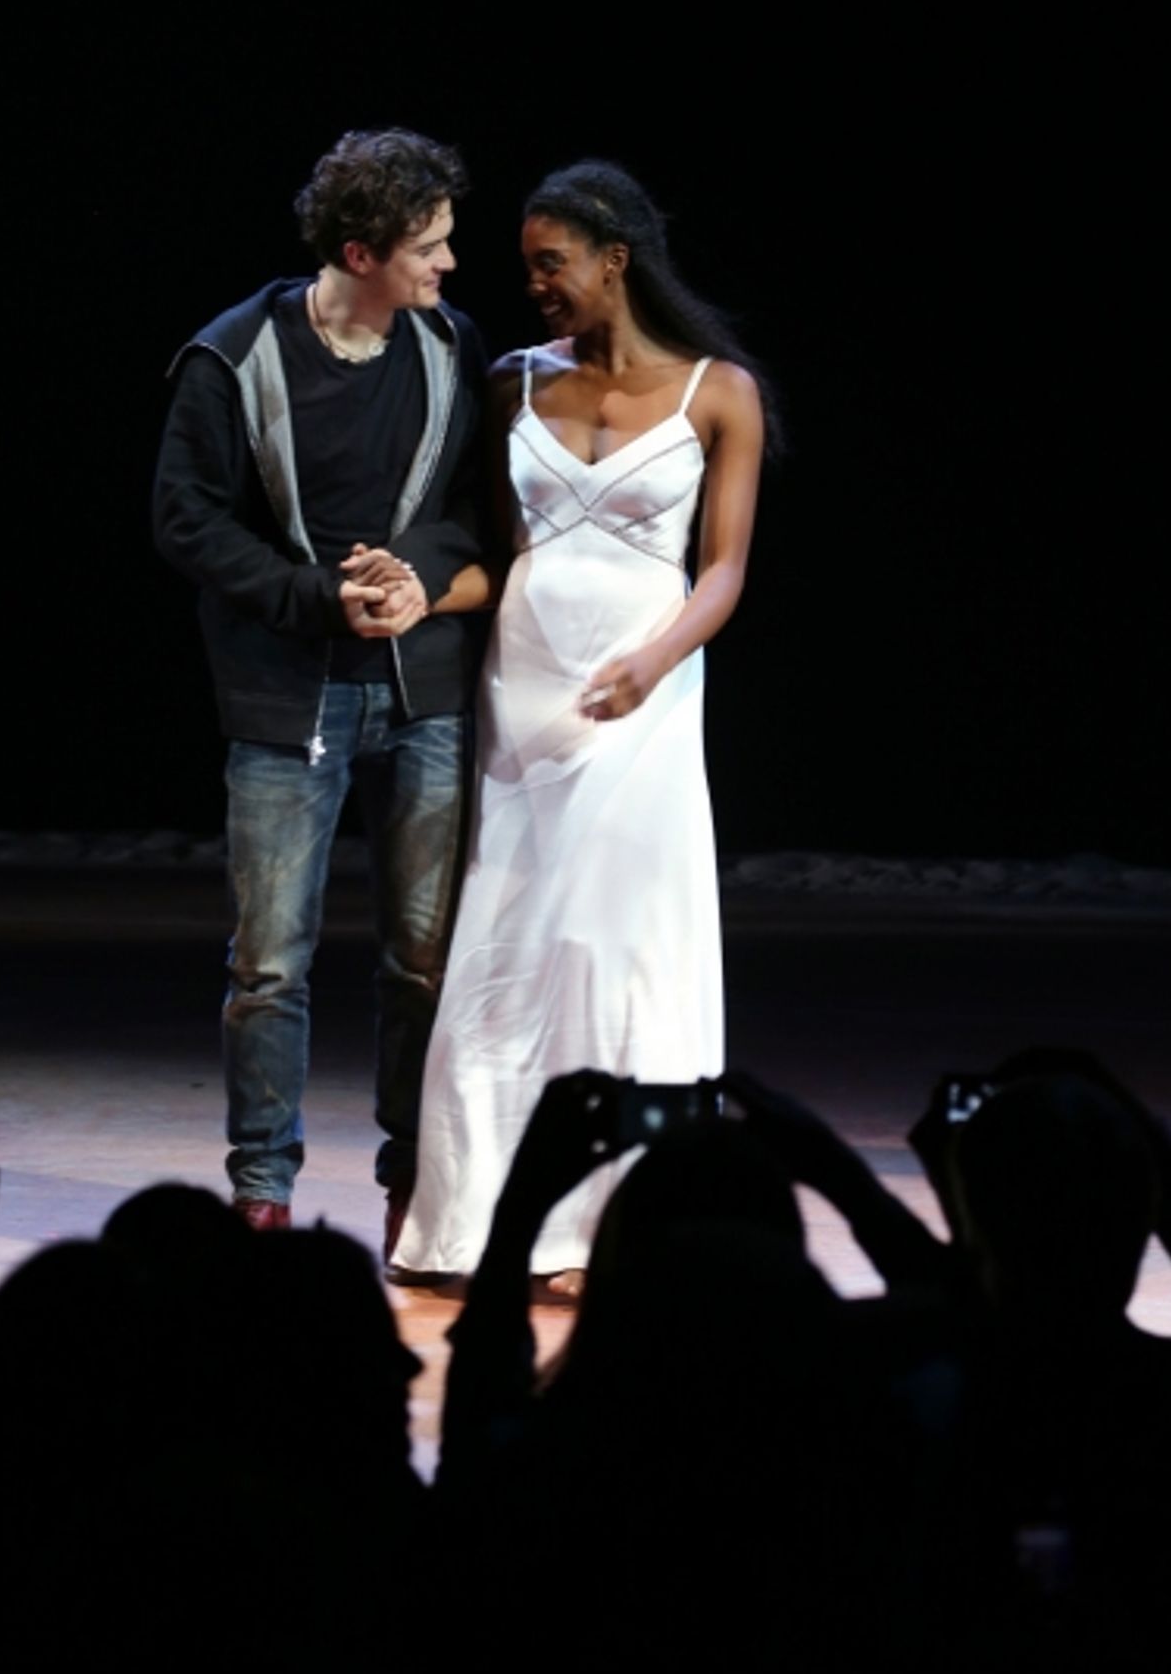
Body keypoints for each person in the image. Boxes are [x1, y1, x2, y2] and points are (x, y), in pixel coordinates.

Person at [389, 160, 772, 1289]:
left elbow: (722, 570)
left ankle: (614, 1228)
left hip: (641, 701)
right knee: (510, 938)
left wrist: (651, 662)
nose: (534, 285)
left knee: (617, 944)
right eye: (525, 267)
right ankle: (477, 1220)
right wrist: (416, 592)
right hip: (525, 695)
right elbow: (506, 554)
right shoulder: (511, 382)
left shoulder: (718, 390)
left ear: (615, 258)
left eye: (550, 264)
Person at [152, 129, 492, 1248]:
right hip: (285, 697)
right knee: (269, 964)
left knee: (421, 955)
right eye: (428, 247)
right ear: (360, 251)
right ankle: (261, 1194)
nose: (448, 264)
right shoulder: (232, 356)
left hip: (423, 693)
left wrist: (417, 579)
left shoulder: (447, 349)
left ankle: (414, 1185)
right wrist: (310, 596)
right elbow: (184, 517)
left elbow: (473, 518)